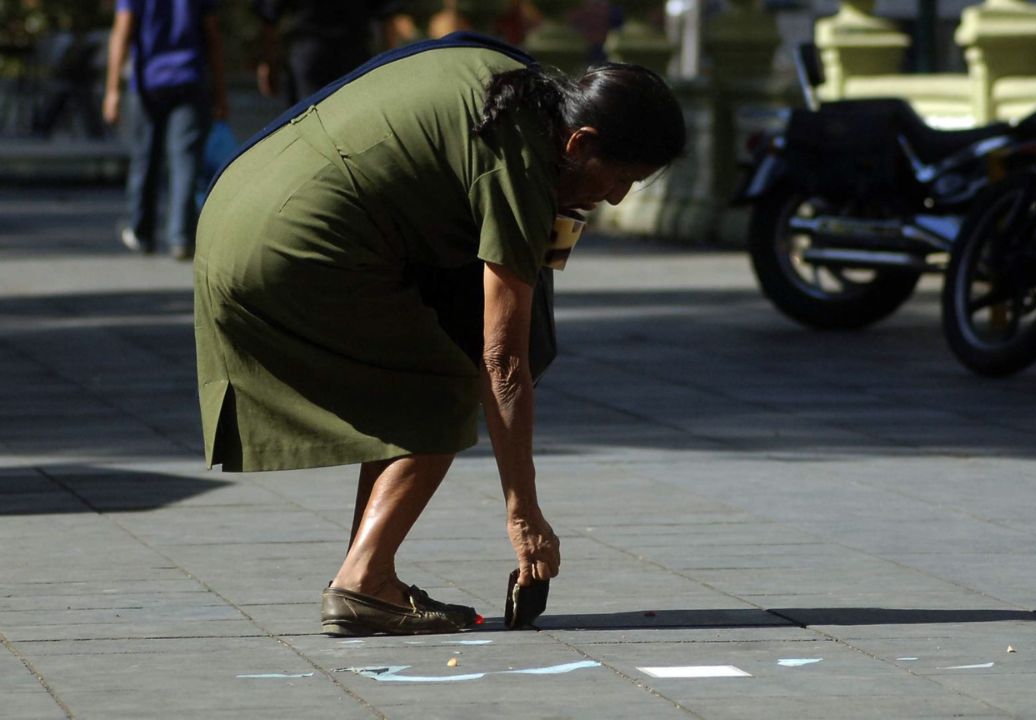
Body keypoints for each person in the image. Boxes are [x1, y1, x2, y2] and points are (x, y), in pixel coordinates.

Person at [194, 34, 686, 636]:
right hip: (293, 242)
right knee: (444, 382)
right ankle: (363, 582)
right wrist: (523, 514)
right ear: (581, 142)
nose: (616, 197)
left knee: (412, 378)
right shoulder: (523, 157)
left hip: (237, 208)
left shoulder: (518, 86)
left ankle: (367, 575)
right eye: (620, 177)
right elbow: (501, 360)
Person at [103, 0, 228, 260]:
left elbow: (122, 30)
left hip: (149, 81)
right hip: (189, 78)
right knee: (185, 160)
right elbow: (212, 36)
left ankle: (141, 231)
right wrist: (219, 91)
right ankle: (181, 236)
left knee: (145, 157)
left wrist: (113, 89)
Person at [252, 0, 418, 104]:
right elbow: (387, 17)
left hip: (310, 55)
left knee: (309, 122)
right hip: (353, 55)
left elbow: (269, 18)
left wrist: (269, 62)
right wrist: (391, 66)